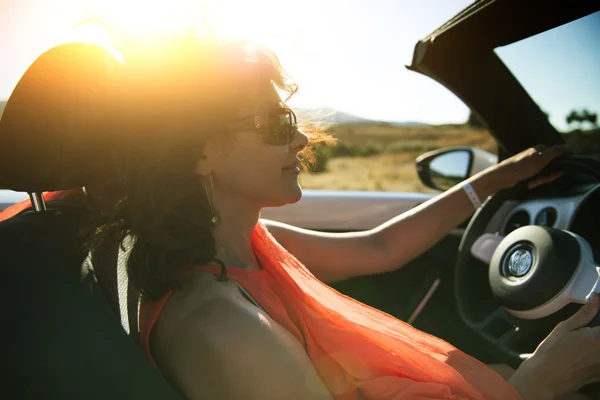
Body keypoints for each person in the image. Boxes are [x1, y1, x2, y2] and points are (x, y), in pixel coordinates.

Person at [85, 35, 600, 400]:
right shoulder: (224, 331)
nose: (301, 138)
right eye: (274, 123)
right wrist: (536, 387)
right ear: (199, 151)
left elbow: (379, 249)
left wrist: (492, 179)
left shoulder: (235, 244)